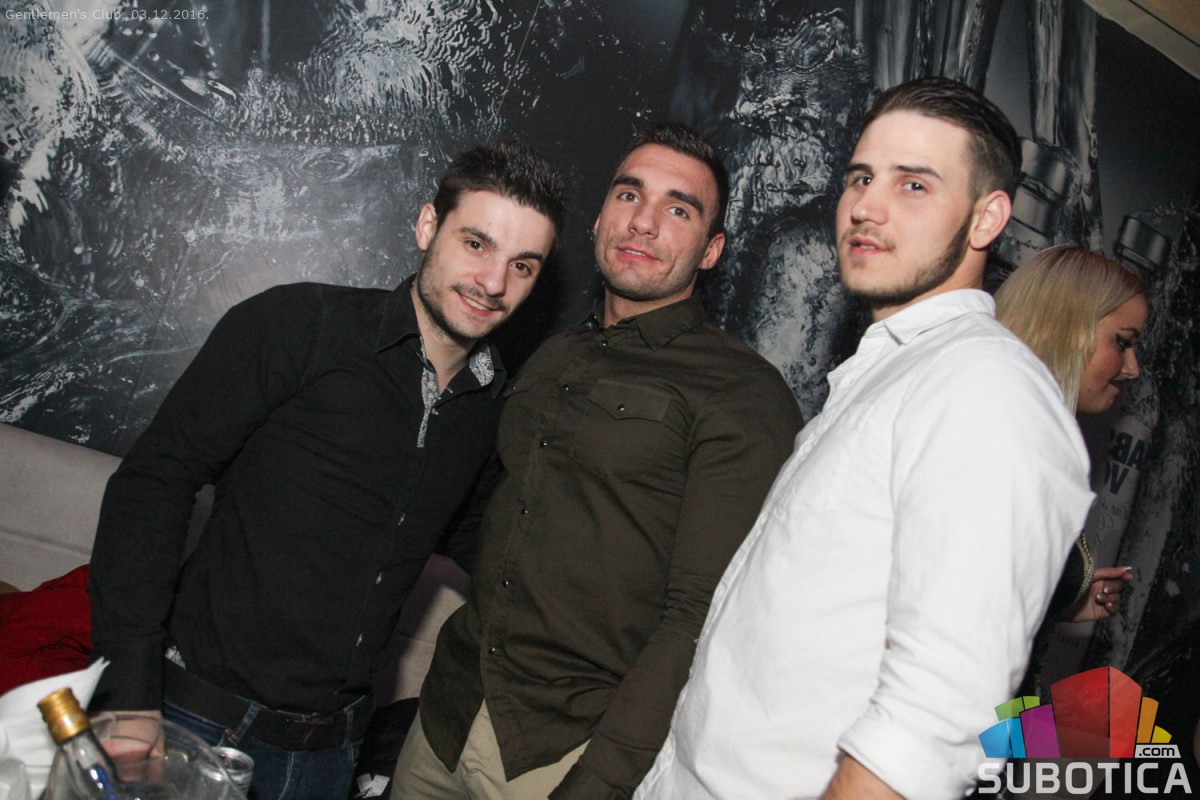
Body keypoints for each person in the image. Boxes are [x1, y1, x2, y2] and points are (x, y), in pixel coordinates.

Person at [633, 77, 1096, 800]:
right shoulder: (894, 372)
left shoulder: (984, 386)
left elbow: (933, 726)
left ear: (987, 218)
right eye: (860, 177)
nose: (866, 207)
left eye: (913, 185)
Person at [88, 142, 566, 800]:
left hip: (330, 754)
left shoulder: (489, 409)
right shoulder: (298, 325)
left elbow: (482, 541)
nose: (492, 282)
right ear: (428, 225)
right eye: (476, 244)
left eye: (523, 265)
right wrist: (127, 696)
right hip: (195, 723)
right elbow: (153, 483)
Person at [388, 122, 803, 800]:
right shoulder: (548, 355)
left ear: (711, 250)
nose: (644, 221)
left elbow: (702, 615)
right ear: (600, 218)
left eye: (678, 209)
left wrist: (605, 778)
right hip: (445, 718)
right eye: (629, 195)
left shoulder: (742, 393)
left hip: (565, 751)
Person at [995, 245, 1146, 625]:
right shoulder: (1000, 430)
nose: (1133, 368)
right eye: (1122, 342)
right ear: (1068, 327)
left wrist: (1062, 599)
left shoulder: (1025, 426)